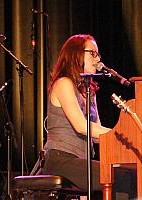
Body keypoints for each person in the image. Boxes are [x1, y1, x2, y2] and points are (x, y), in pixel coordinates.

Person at [42, 34, 111, 193]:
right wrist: (121, 133)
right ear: (76, 54)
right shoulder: (63, 83)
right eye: (92, 53)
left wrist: (127, 138)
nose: (97, 59)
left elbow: (97, 135)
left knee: (126, 174)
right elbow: (81, 126)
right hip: (61, 159)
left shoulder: (89, 91)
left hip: (80, 161)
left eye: (98, 54)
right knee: (118, 177)